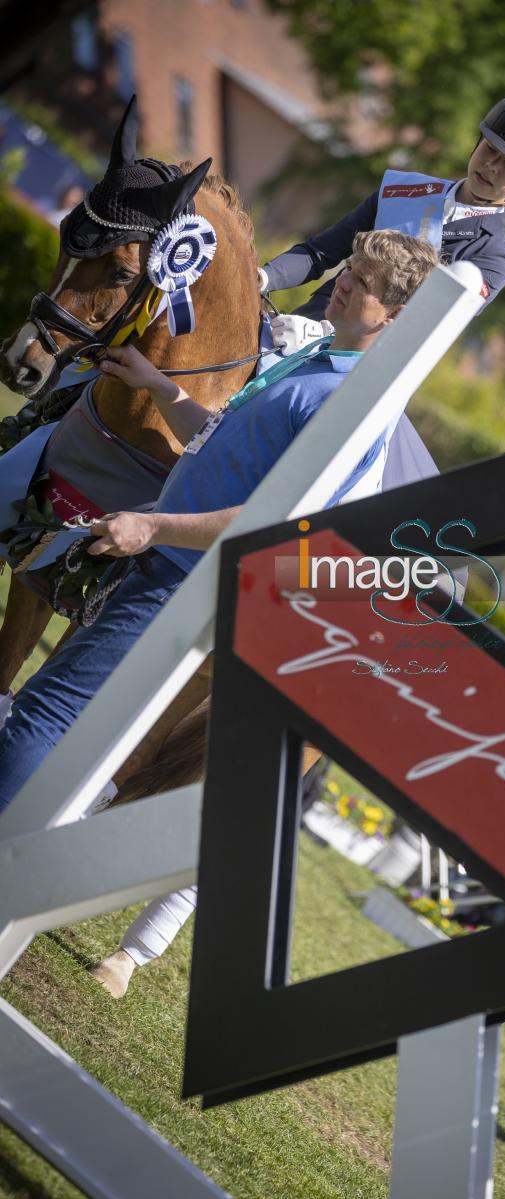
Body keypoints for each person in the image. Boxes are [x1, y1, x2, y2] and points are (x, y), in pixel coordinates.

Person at [0, 229, 438, 817]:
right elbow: (222, 452)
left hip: (179, 577)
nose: (342, 284)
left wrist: (155, 528)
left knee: (46, 713)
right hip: (169, 565)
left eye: (364, 284)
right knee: (54, 714)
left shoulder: (347, 403)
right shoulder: (317, 359)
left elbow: (274, 524)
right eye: (349, 270)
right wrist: (158, 387)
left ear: (398, 316)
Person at [263, 93, 505, 356]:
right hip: (295, 329)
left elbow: (421, 327)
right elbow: (320, 253)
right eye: (491, 149)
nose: (492, 166)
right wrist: (263, 277)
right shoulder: (401, 189)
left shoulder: (492, 260)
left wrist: (322, 333)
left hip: (350, 373)